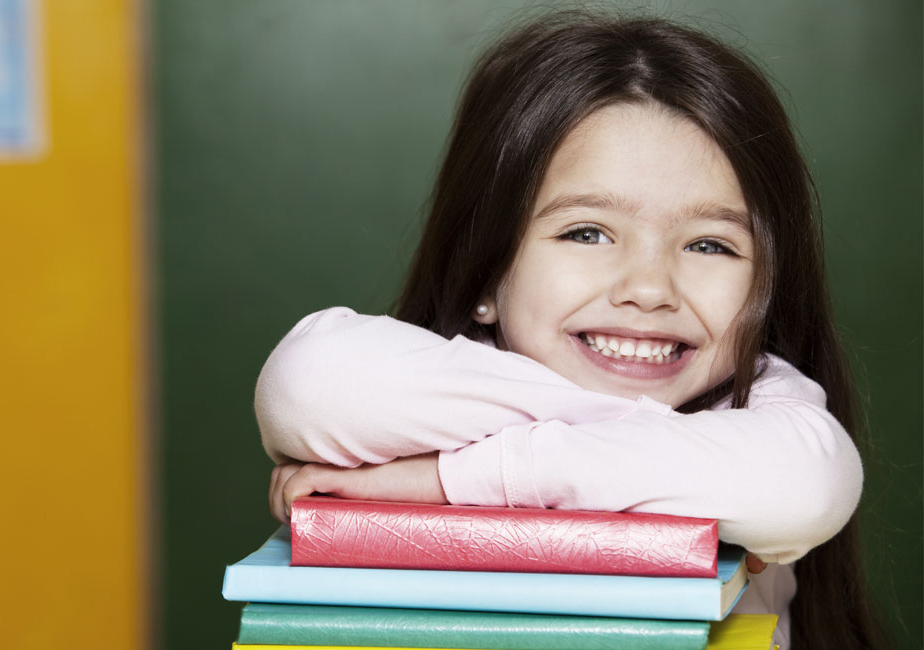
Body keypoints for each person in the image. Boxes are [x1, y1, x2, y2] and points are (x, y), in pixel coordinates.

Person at [253, 12, 882, 650]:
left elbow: (805, 489)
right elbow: (309, 384)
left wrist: (450, 480)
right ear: (485, 273)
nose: (650, 288)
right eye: (587, 232)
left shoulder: (761, 404)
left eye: (711, 244)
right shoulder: (448, 373)